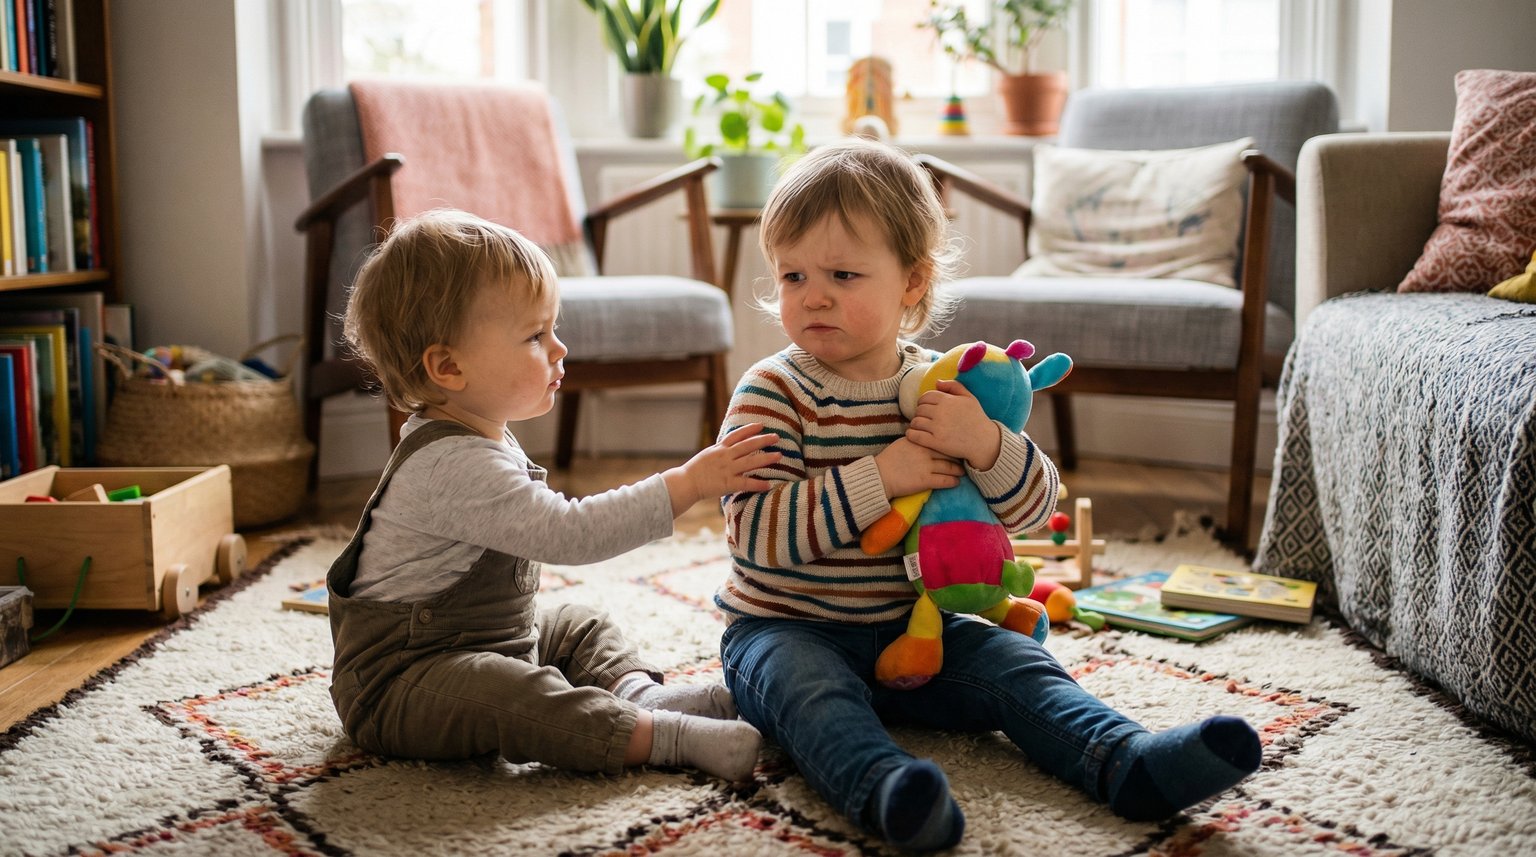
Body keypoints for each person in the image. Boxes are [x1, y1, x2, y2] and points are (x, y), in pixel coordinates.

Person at [714, 139, 1262, 850]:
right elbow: (754, 536)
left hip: (920, 628)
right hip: (785, 627)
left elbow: (1035, 510)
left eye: (843, 274)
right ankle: (888, 790)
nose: (811, 295)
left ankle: (1125, 760)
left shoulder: (951, 386)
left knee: (1020, 662)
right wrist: (888, 474)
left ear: (912, 282)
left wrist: (986, 443)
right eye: (792, 275)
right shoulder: (771, 391)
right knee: (809, 694)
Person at [327, 208, 780, 784]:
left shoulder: (477, 434)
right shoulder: (450, 463)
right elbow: (570, 532)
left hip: (478, 640)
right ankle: (659, 738)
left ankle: (642, 696)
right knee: (515, 693)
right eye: (535, 336)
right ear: (448, 366)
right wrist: (687, 483)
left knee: (574, 624)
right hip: (400, 684)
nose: (559, 349)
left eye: (553, 329)